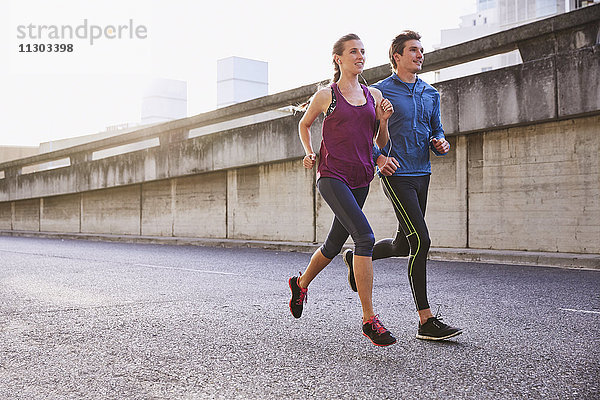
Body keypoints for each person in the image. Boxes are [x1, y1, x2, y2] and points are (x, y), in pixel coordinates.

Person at [343, 30, 463, 341]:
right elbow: (363, 137)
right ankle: (426, 320)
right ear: (397, 57)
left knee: (402, 245)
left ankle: (353, 258)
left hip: (423, 173)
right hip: (396, 175)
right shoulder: (378, 92)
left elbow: (437, 129)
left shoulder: (430, 93)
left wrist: (441, 143)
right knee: (422, 241)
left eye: (421, 50)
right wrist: (380, 158)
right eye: (413, 50)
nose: (419, 55)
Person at [288, 33, 396, 347]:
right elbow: (304, 124)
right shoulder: (328, 95)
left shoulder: (373, 95)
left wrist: (384, 121)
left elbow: (380, 145)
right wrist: (309, 151)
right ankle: (369, 320)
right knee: (365, 237)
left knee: (334, 244)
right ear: (339, 58)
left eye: (363, 51)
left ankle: (300, 283)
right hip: (332, 175)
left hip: (362, 177)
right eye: (353, 52)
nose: (360, 56)